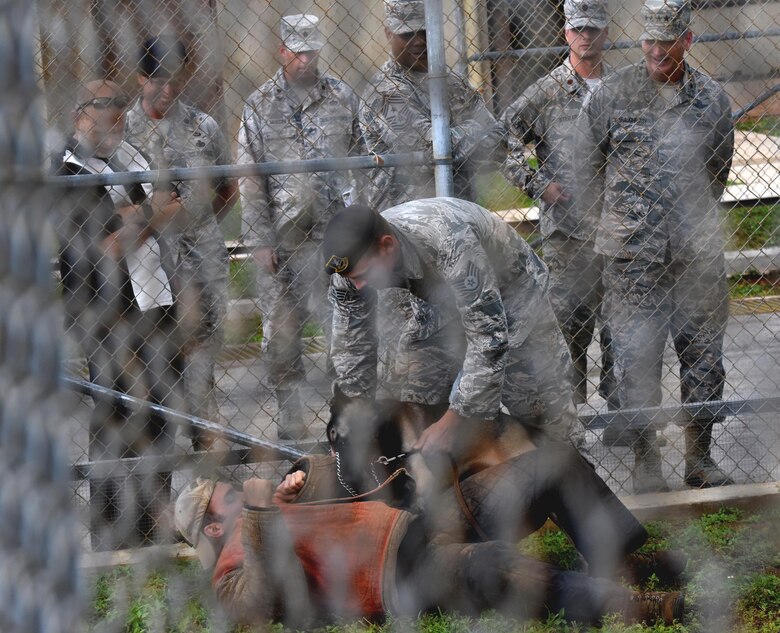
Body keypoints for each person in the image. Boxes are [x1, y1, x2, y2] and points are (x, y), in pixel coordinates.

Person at [174, 455, 685, 627]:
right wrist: (262, 514)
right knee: (501, 566)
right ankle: (629, 605)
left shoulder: (269, 512)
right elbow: (259, 602)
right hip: (402, 575)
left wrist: (300, 478)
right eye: (230, 497)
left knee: (550, 465)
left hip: (414, 520)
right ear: (214, 528)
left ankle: (619, 560)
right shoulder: (229, 571)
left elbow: (347, 479)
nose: (242, 491)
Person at [576, 0, 735, 492]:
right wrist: (622, 222)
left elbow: (718, 171)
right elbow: (585, 168)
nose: (657, 51)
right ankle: (647, 461)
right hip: (632, 262)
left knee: (704, 358)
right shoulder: (613, 95)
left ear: (688, 40)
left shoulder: (711, 99)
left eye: (668, 42)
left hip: (697, 259)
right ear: (641, 39)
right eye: (650, 41)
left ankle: (699, 457)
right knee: (635, 361)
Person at [323, 199, 584, 456]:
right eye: (351, 279)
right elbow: (352, 346)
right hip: (439, 308)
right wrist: (353, 416)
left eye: (364, 276)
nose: (358, 287)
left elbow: (488, 337)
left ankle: (582, 485)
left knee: (545, 418)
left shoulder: (451, 241)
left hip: (514, 302)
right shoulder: (350, 271)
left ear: (387, 246)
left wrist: (454, 419)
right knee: (414, 403)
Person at [55, 80, 186, 549]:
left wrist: (139, 216)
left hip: (157, 304)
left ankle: (155, 528)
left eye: (121, 108)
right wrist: (151, 212)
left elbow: (174, 208)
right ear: (79, 115)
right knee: (115, 420)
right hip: (105, 316)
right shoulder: (67, 170)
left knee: (160, 419)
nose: (116, 116)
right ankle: (112, 537)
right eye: (104, 109)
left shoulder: (132, 156)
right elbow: (103, 251)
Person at [237, 14, 364, 440]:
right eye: (298, 51)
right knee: (281, 334)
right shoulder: (259, 104)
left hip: (333, 238)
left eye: (312, 51)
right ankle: (289, 418)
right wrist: (258, 239)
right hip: (282, 242)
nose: (306, 60)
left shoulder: (341, 97)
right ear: (282, 51)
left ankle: (341, 414)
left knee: (342, 328)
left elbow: (362, 162)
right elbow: (250, 176)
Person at [501, 0, 616, 409]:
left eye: (593, 28)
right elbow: (503, 140)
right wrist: (536, 182)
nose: (586, 36)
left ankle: (623, 417)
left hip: (619, 230)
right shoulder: (548, 91)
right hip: (568, 234)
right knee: (569, 326)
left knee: (621, 327)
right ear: (565, 33)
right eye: (578, 28)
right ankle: (572, 417)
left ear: (606, 32)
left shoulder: (623, 90)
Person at [125, 35, 238, 447]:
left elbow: (228, 190)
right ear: (140, 79)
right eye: (157, 80)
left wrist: (199, 226)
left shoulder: (202, 126)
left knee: (202, 350)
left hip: (202, 261)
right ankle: (153, 439)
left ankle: (202, 431)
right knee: (152, 354)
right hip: (148, 268)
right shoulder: (124, 132)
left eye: (174, 79)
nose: (167, 90)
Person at [360, 0, 504, 211]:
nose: (418, 41)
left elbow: (499, 143)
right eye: (407, 34)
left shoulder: (454, 83)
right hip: (408, 219)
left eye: (424, 31)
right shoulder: (383, 92)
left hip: (462, 212)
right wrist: (476, 130)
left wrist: (457, 142)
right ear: (388, 34)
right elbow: (430, 149)